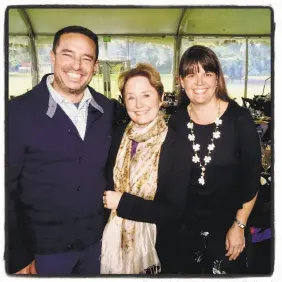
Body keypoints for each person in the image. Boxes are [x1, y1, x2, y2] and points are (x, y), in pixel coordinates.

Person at [6, 26, 113, 275]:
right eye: (68, 54)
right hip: (43, 252)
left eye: (86, 58)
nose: (77, 66)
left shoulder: (107, 110)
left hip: (97, 246)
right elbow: (5, 189)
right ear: (52, 57)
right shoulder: (17, 112)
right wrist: (17, 254)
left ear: (95, 66)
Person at [169, 45, 261, 274]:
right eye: (191, 74)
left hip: (228, 229)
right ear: (181, 81)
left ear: (217, 78)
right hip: (185, 230)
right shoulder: (177, 121)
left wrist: (239, 225)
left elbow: (252, 178)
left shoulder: (239, 120)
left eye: (207, 73)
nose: (199, 82)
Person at [100, 63, 191, 274]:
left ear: (160, 98)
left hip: (157, 251)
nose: (138, 104)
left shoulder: (176, 146)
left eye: (146, 95)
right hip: (113, 244)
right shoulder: (116, 137)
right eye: (131, 97)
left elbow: (173, 212)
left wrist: (122, 202)